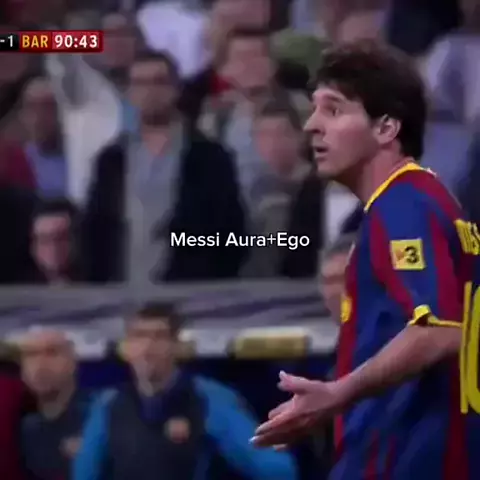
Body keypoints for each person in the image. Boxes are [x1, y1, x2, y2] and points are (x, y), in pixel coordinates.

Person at [251, 40, 480, 479]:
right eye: (314, 110)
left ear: (386, 128)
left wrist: (337, 394)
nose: (312, 126)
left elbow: (439, 331)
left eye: (333, 110)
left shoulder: (404, 204)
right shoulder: (428, 201)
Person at [74, 302, 298, 480]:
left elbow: (276, 470)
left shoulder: (209, 398)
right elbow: (84, 474)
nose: (147, 347)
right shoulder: (108, 404)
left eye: (159, 337)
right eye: (139, 336)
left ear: (177, 345)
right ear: (127, 348)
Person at [20, 329, 94, 480]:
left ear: (73, 362)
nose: (40, 364)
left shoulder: (102, 416)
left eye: (52, 353)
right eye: (31, 354)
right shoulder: (28, 429)